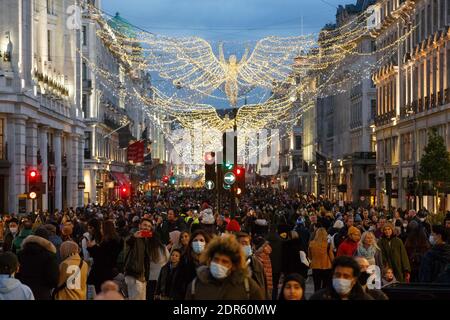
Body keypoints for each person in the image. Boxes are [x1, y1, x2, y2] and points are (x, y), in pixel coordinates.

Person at [185, 234, 264, 300]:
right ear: (210, 261)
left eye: (225, 261)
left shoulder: (247, 286)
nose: (219, 264)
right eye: (216, 259)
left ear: (233, 265)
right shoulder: (196, 285)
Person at [16, 227, 59, 300]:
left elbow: (16, 273)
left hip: (23, 292)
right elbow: (53, 279)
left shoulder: (21, 254)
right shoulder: (50, 256)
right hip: (42, 293)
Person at [87, 220, 123, 293]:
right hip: (109, 270)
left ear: (105, 229)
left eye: (101, 228)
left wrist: (91, 247)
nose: (100, 230)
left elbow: (100, 257)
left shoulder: (107, 243)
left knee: (100, 292)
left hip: (101, 273)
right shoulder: (118, 240)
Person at [123, 218, 154, 300]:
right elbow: (128, 242)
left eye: (149, 226)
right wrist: (134, 237)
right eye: (145, 225)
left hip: (142, 276)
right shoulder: (134, 235)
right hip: (133, 274)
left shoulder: (146, 239)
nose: (147, 227)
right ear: (139, 225)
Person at [236, 232, 267, 297]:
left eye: (248, 243)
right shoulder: (231, 265)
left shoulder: (257, 264)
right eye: (243, 243)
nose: (247, 246)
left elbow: (264, 287)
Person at [146, 230, 170, 300]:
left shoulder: (147, 249)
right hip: (161, 278)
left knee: (149, 296)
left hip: (150, 278)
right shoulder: (163, 248)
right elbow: (168, 261)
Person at [308, 227, 334, 291]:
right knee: (325, 287)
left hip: (315, 267)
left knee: (316, 286)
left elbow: (310, 256)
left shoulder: (311, 244)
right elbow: (331, 257)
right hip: (327, 267)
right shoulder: (328, 244)